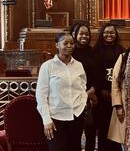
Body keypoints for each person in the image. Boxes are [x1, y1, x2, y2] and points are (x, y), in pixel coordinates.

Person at [36, 32, 87, 151]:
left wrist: (82, 102)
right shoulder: (47, 66)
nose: (69, 46)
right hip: (55, 118)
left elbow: (82, 86)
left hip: (76, 116)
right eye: (65, 43)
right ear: (57, 45)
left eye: (72, 43)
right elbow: (41, 95)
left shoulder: (78, 65)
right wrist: (46, 120)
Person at [93, 23, 123, 151]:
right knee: (103, 128)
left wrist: (116, 93)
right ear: (102, 34)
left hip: (117, 95)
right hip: (100, 95)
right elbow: (94, 72)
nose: (109, 35)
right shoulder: (95, 50)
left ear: (116, 35)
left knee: (116, 129)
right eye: (106, 32)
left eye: (112, 32)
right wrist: (101, 91)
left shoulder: (122, 50)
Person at [71, 23, 98, 151]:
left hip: (91, 96)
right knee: (75, 132)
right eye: (81, 33)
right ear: (74, 35)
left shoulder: (93, 52)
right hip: (74, 97)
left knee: (91, 131)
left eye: (87, 34)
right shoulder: (70, 52)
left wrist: (93, 90)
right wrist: (83, 94)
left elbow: (97, 74)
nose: (84, 36)